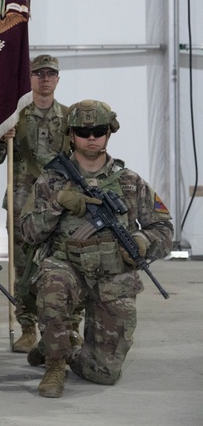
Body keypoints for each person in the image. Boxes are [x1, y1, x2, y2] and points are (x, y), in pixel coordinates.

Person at [20, 100, 173, 398]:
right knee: (52, 283)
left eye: (99, 130)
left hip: (113, 276)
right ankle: (55, 363)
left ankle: (67, 347)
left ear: (109, 133)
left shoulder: (130, 183)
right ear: (71, 134)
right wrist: (57, 203)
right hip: (68, 267)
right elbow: (28, 232)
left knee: (104, 374)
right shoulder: (53, 179)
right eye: (82, 131)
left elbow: (164, 229)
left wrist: (143, 243)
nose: (91, 137)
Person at [0, 54, 72, 353]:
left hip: (60, 207)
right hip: (23, 206)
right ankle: (26, 328)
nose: (45, 78)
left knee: (63, 265)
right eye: (38, 73)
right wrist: (2, 136)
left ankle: (66, 328)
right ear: (29, 79)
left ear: (58, 79)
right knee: (22, 269)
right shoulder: (15, 117)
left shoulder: (71, 118)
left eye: (51, 73)